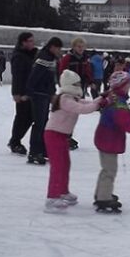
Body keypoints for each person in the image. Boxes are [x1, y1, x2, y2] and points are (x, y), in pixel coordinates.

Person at [43, 69, 109, 213]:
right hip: (53, 135)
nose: (80, 85)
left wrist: (102, 97)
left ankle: (62, 191)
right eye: (77, 83)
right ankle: (52, 197)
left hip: (62, 136)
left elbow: (88, 103)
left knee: (65, 164)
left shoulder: (72, 98)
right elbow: (83, 109)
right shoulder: (65, 99)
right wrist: (98, 105)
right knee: (58, 166)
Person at [93, 71, 130, 213]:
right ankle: (103, 198)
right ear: (122, 86)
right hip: (109, 139)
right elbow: (127, 121)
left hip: (105, 137)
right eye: (128, 83)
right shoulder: (118, 103)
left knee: (106, 169)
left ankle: (101, 193)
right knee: (109, 170)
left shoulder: (113, 97)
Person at [25, 37, 62, 165]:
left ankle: (42, 149)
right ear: (52, 47)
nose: (59, 51)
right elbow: (35, 76)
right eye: (58, 48)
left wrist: (52, 93)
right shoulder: (44, 58)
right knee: (39, 123)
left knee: (44, 122)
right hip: (39, 94)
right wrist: (30, 92)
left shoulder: (50, 58)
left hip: (44, 94)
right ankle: (34, 152)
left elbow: (50, 79)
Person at [8, 32, 36, 156]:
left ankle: (15, 140)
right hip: (22, 91)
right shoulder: (19, 56)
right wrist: (16, 93)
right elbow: (17, 76)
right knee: (22, 117)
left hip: (31, 91)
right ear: (23, 42)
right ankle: (15, 141)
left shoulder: (32, 54)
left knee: (30, 117)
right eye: (30, 41)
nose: (32, 43)